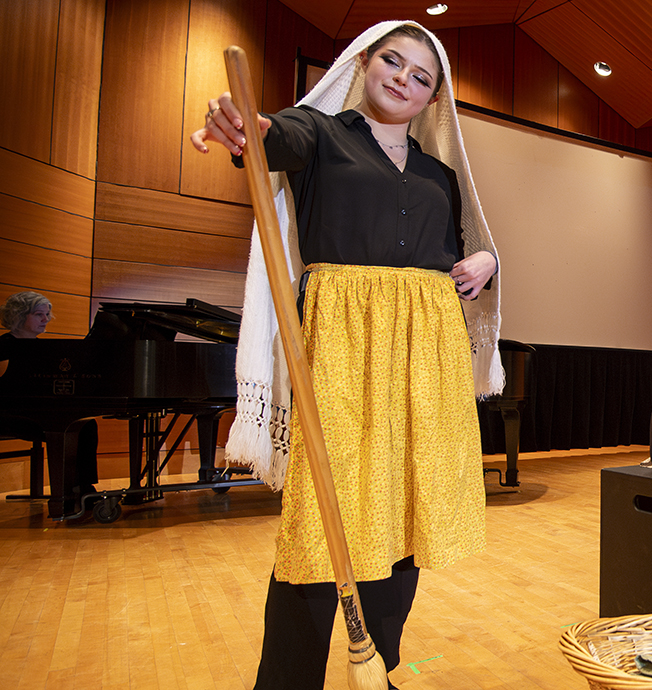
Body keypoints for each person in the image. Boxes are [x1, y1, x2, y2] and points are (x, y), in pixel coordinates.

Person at [189, 20, 501, 690]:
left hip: (427, 345)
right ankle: (286, 682)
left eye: (421, 77)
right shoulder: (322, 133)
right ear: (363, 62)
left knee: (404, 509)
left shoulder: (440, 173)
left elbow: (463, 248)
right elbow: (270, 135)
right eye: (392, 61)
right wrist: (243, 125)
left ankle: (379, 668)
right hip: (343, 341)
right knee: (318, 512)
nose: (403, 80)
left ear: (433, 99)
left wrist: (486, 261)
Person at [0, 292, 100, 515]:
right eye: (39, 314)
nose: (46, 319)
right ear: (19, 316)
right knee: (65, 428)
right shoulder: (4, 346)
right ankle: (64, 497)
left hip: (36, 410)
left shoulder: (43, 348)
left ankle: (81, 487)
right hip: (9, 414)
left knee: (85, 423)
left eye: (47, 314)